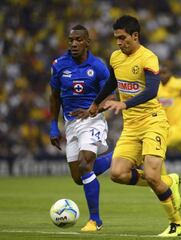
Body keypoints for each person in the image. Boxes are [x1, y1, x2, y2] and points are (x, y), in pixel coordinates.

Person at [86, 15, 181, 237]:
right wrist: (96, 103)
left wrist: (124, 103)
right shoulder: (115, 57)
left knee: (151, 175)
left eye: (123, 38)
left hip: (153, 121)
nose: (119, 43)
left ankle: (177, 224)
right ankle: (169, 181)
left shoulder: (148, 57)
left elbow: (152, 90)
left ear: (135, 36)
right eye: (116, 39)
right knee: (117, 173)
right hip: (131, 127)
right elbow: (113, 82)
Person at [49, 24, 113, 232]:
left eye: (78, 40)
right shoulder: (59, 65)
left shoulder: (99, 66)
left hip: (93, 121)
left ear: (87, 42)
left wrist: (93, 110)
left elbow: (110, 98)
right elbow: (54, 96)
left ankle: (95, 220)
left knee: (86, 165)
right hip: (70, 123)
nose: (74, 43)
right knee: (79, 177)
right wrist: (53, 126)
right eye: (71, 40)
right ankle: (117, 157)